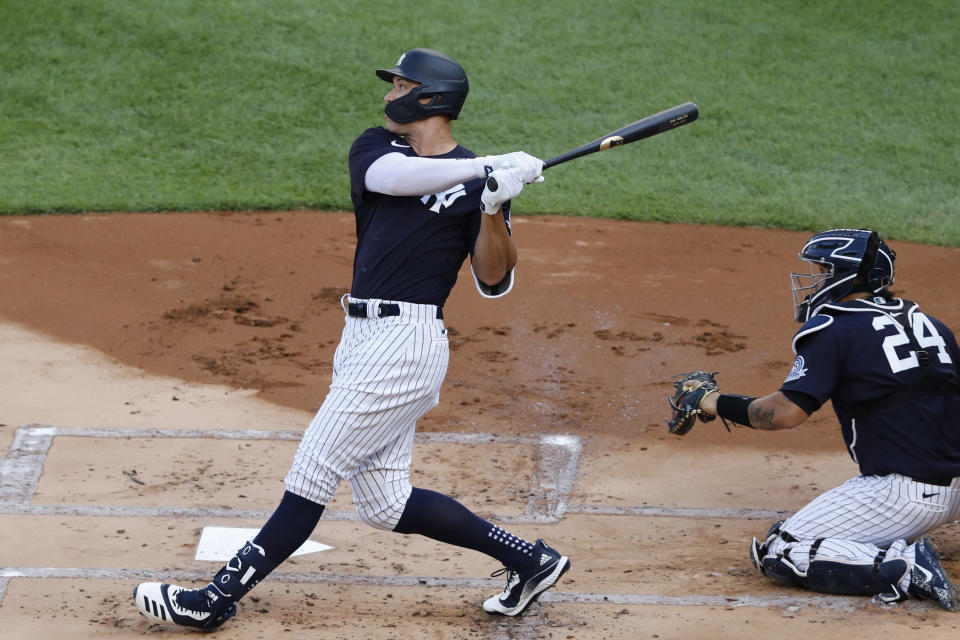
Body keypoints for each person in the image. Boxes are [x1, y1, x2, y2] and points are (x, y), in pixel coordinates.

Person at [133, 47, 570, 629]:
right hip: (361, 339)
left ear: (428, 97)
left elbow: (493, 279)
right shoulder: (379, 147)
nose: (388, 95)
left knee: (313, 470)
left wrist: (492, 206)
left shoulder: (480, 181)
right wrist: (483, 168)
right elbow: (390, 180)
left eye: (399, 86)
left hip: (406, 345)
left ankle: (213, 600)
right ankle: (530, 560)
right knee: (385, 502)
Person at [676, 228, 960, 610]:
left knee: (782, 549)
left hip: (903, 496)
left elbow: (782, 414)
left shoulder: (835, 328)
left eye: (824, 271)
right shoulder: (933, 326)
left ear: (848, 275)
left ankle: (908, 567)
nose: (817, 281)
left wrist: (710, 400)